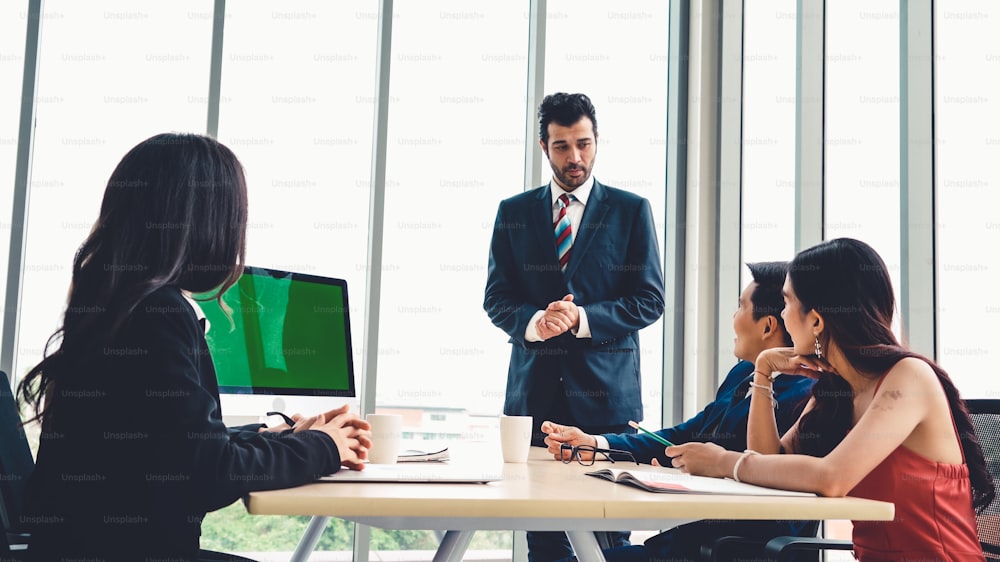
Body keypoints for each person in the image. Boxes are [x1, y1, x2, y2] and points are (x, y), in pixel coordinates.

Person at [17, 133, 372, 562]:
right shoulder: (158, 313)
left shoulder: (116, 305)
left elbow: (173, 447)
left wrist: (275, 436)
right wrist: (325, 447)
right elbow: (206, 473)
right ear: (207, 221)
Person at [668, 238, 995, 562]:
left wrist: (724, 462)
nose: (782, 316)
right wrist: (764, 371)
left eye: (787, 302)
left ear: (816, 320)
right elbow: (770, 458)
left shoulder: (908, 377)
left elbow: (832, 478)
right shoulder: (836, 390)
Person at [484, 92, 665, 561]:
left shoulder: (630, 211)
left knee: (609, 541)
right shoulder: (514, 213)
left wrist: (581, 318)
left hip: (606, 404)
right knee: (542, 540)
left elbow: (650, 300)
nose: (575, 157)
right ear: (543, 147)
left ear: (597, 141)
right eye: (562, 146)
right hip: (534, 402)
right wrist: (535, 324)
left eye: (583, 143)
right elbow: (497, 298)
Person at [542, 261, 817, 562]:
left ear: (767, 326)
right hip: (686, 543)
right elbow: (684, 435)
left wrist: (704, 475)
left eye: (740, 307)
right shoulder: (742, 376)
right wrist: (596, 443)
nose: (733, 317)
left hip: (724, 551)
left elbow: (779, 499)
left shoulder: (805, 395)